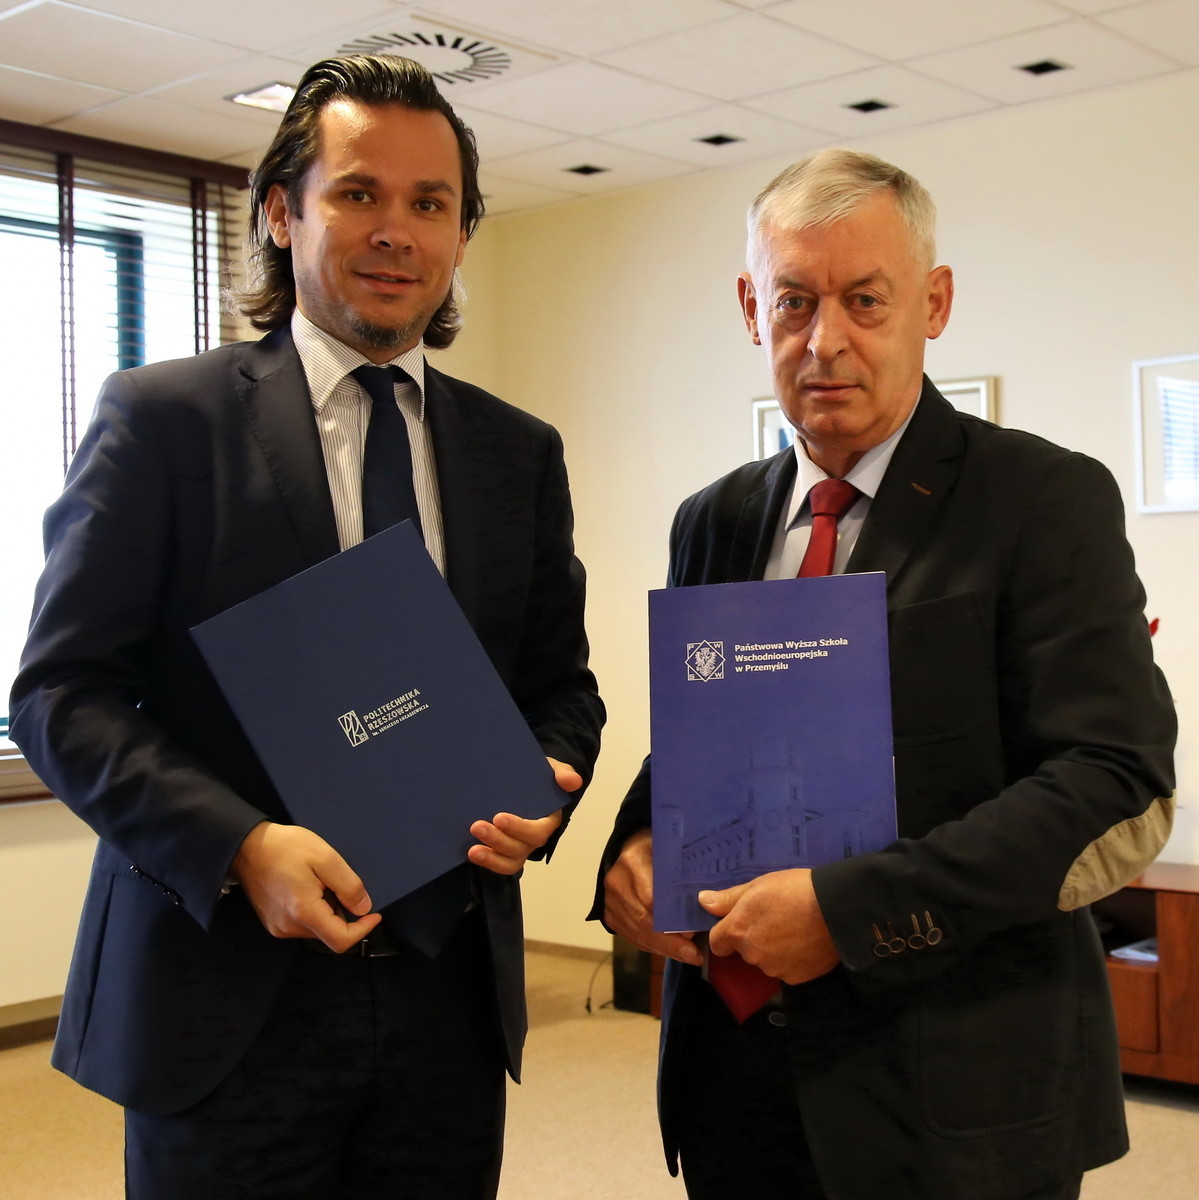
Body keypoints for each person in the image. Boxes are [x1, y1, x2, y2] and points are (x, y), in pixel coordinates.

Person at [10, 54, 603, 1200]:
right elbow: (58, 695)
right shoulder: (163, 423)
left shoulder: (515, 454)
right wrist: (240, 846)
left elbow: (558, 685)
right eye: (358, 193)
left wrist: (546, 783)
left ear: (461, 235)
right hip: (223, 994)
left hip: (444, 1002)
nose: (394, 231)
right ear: (282, 213)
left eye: (429, 203)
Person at [594, 148, 1175, 1200]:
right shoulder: (713, 518)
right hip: (736, 1087)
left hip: (955, 1100)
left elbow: (1107, 774)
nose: (825, 340)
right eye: (793, 301)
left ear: (932, 302)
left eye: (864, 300)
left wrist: (847, 911)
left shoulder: (1039, 498)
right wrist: (632, 846)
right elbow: (696, 736)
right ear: (749, 310)